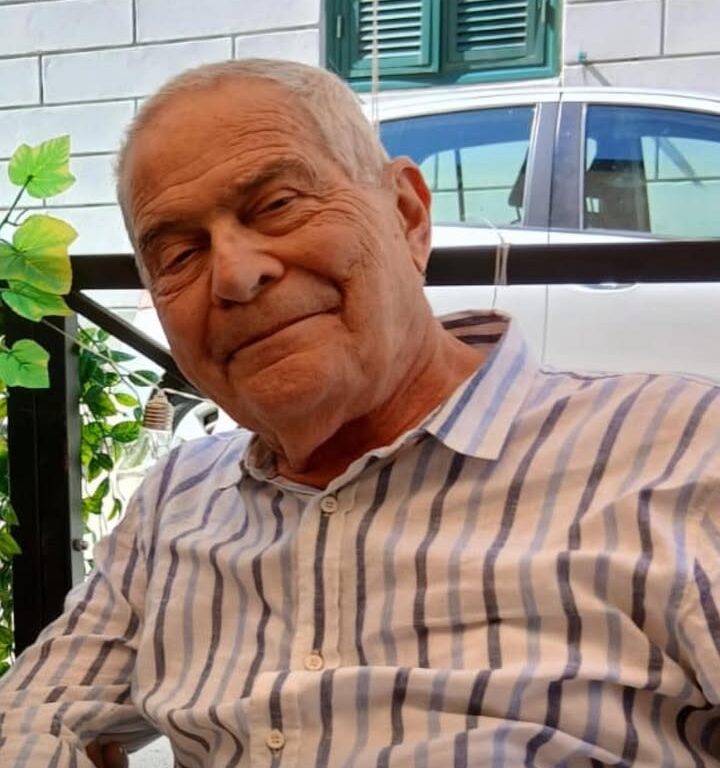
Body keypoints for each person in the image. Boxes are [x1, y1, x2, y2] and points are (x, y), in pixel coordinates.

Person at [0, 58, 718, 768]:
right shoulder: (175, 503)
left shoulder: (682, 455)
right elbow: (29, 715)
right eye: (180, 254)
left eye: (278, 205)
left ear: (408, 216)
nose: (236, 275)